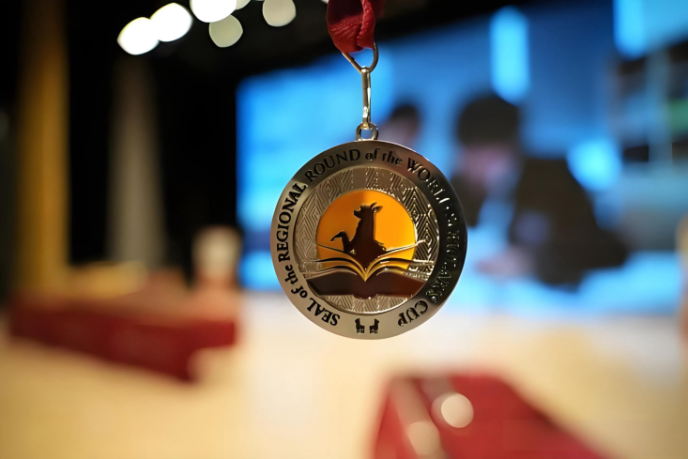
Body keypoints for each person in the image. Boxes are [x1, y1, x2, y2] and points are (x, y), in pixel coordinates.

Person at [451, 95, 628, 285]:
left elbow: (607, 250)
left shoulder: (552, 179)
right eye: (466, 151)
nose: (466, 163)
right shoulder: (460, 188)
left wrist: (532, 262)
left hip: (541, 298)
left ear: (508, 148)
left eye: (478, 152)